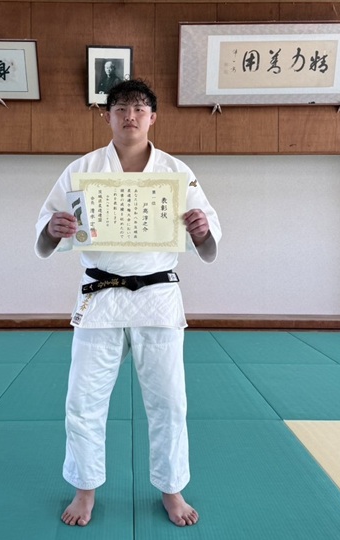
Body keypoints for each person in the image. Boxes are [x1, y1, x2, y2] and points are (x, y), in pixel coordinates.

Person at [34, 79, 221, 528]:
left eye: (139, 109)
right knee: (83, 400)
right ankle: (84, 489)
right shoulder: (82, 170)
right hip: (100, 297)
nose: (130, 116)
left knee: (169, 402)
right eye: (121, 108)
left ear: (152, 118)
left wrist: (200, 229)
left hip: (157, 297)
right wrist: (54, 228)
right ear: (108, 117)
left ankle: (172, 489)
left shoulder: (176, 172)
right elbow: (47, 226)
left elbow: (207, 231)